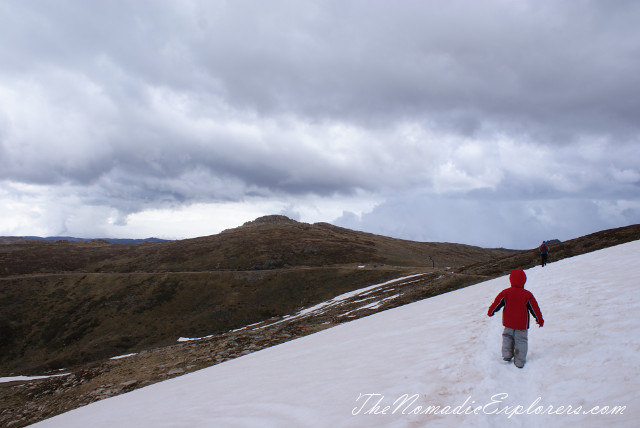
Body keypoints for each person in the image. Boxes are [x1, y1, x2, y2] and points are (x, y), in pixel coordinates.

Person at [487, 269, 544, 368]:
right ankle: (519, 362)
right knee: (521, 341)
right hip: (521, 325)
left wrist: (491, 312)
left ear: (511, 280)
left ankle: (506, 356)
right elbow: (535, 309)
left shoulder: (505, 293)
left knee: (507, 338)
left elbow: (497, 303)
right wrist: (539, 319)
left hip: (508, 323)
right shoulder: (527, 294)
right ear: (524, 280)